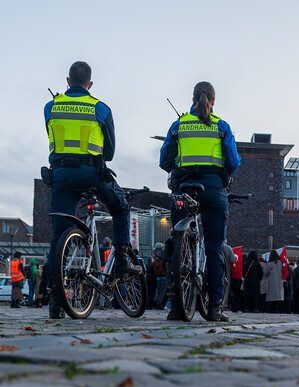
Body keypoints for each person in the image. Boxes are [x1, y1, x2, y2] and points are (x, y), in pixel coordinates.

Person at [44, 61, 141, 319]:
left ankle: (56, 299)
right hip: (91, 173)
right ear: (90, 84)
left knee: (58, 235)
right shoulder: (100, 108)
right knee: (121, 207)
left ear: (67, 81)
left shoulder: (50, 106)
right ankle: (121, 257)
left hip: (61, 175)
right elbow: (108, 152)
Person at [159, 81, 241, 322]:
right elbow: (234, 162)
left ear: (192, 98)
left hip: (184, 187)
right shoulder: (221, 126)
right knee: (215, 247)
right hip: (213, 189)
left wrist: (178, 168)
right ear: (213, 101)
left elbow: (165, 159)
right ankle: (214, 308)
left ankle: (176, 307)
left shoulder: (178, 125)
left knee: (176, 241)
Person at [151, 242, 167, 309]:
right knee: (162, 291)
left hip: (157, 276)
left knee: (157, 290)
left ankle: (156, 304)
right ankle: (159, 304)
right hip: (163, 276)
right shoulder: (164, 259)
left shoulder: (155, 260)